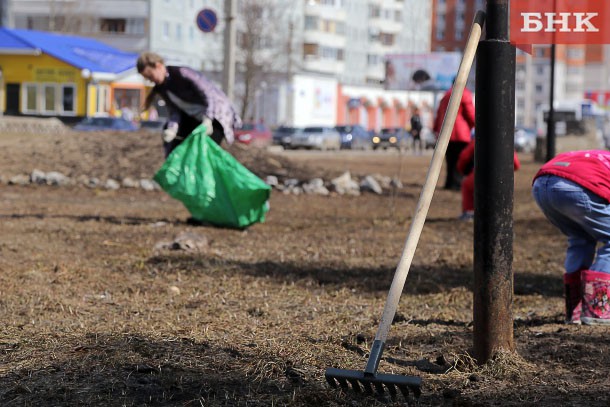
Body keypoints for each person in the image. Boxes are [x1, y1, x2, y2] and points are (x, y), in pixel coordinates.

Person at [532, 150, 610, 325]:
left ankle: (575, 311)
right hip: (578, 186)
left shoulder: (600, 157)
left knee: (580, 238)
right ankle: (597, 309)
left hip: (542, 184)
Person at [136, 52, 241, 157]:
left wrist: (208, 118)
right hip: (194, 118)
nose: (150, 80)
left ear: (158, 66)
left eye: (150, 75)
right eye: (147, 78)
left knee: (204, 152)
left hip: (216, 115)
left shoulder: (182, 73)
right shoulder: (162, 88)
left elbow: (210, 95)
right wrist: (172, 129)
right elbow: (175, 111)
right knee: (175, 145)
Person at [456, 137, 521, 221]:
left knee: (467, 185)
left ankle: (470, 212)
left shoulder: (478, 139)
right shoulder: (506, 141)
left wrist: (462, 170)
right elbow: (516, 164)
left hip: (482, 173)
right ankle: (500, 213)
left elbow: (464, 157)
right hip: (503, 176)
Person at [433, 82, 475, 190]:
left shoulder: (446, 95)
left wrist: (436, 129)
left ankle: (449, 183)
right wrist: (476, 124)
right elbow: (470, 113)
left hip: (445, 135)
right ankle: (457, 184)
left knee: (450, 160)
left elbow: (438, 114)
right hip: (461, 134)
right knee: (460, 159)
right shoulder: (464, 94)